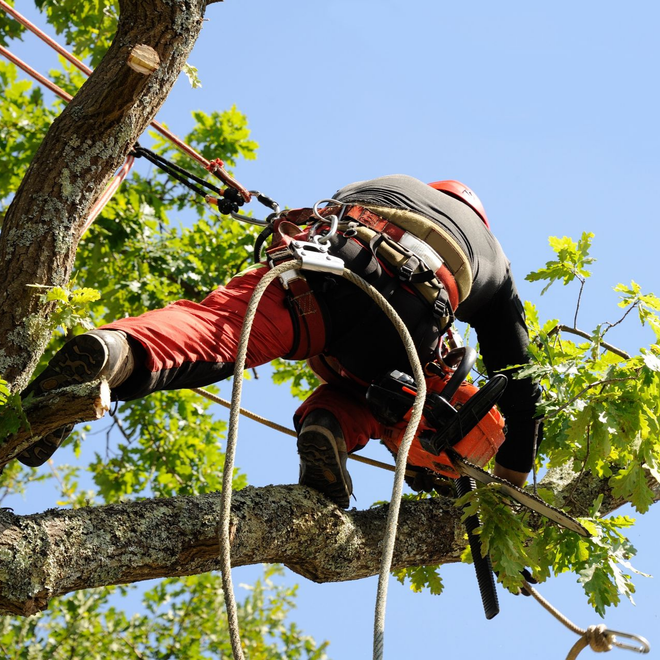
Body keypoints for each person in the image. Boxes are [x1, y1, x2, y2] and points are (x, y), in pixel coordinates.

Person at [19, 175, 541, 508]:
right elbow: (520, 379)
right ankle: (331, 426)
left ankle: (115, 352)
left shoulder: (389, 184)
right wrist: (513, 477)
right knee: (406, 395)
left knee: (218, 329)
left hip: (330, 264)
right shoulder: (492, 256)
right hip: (413, 318)